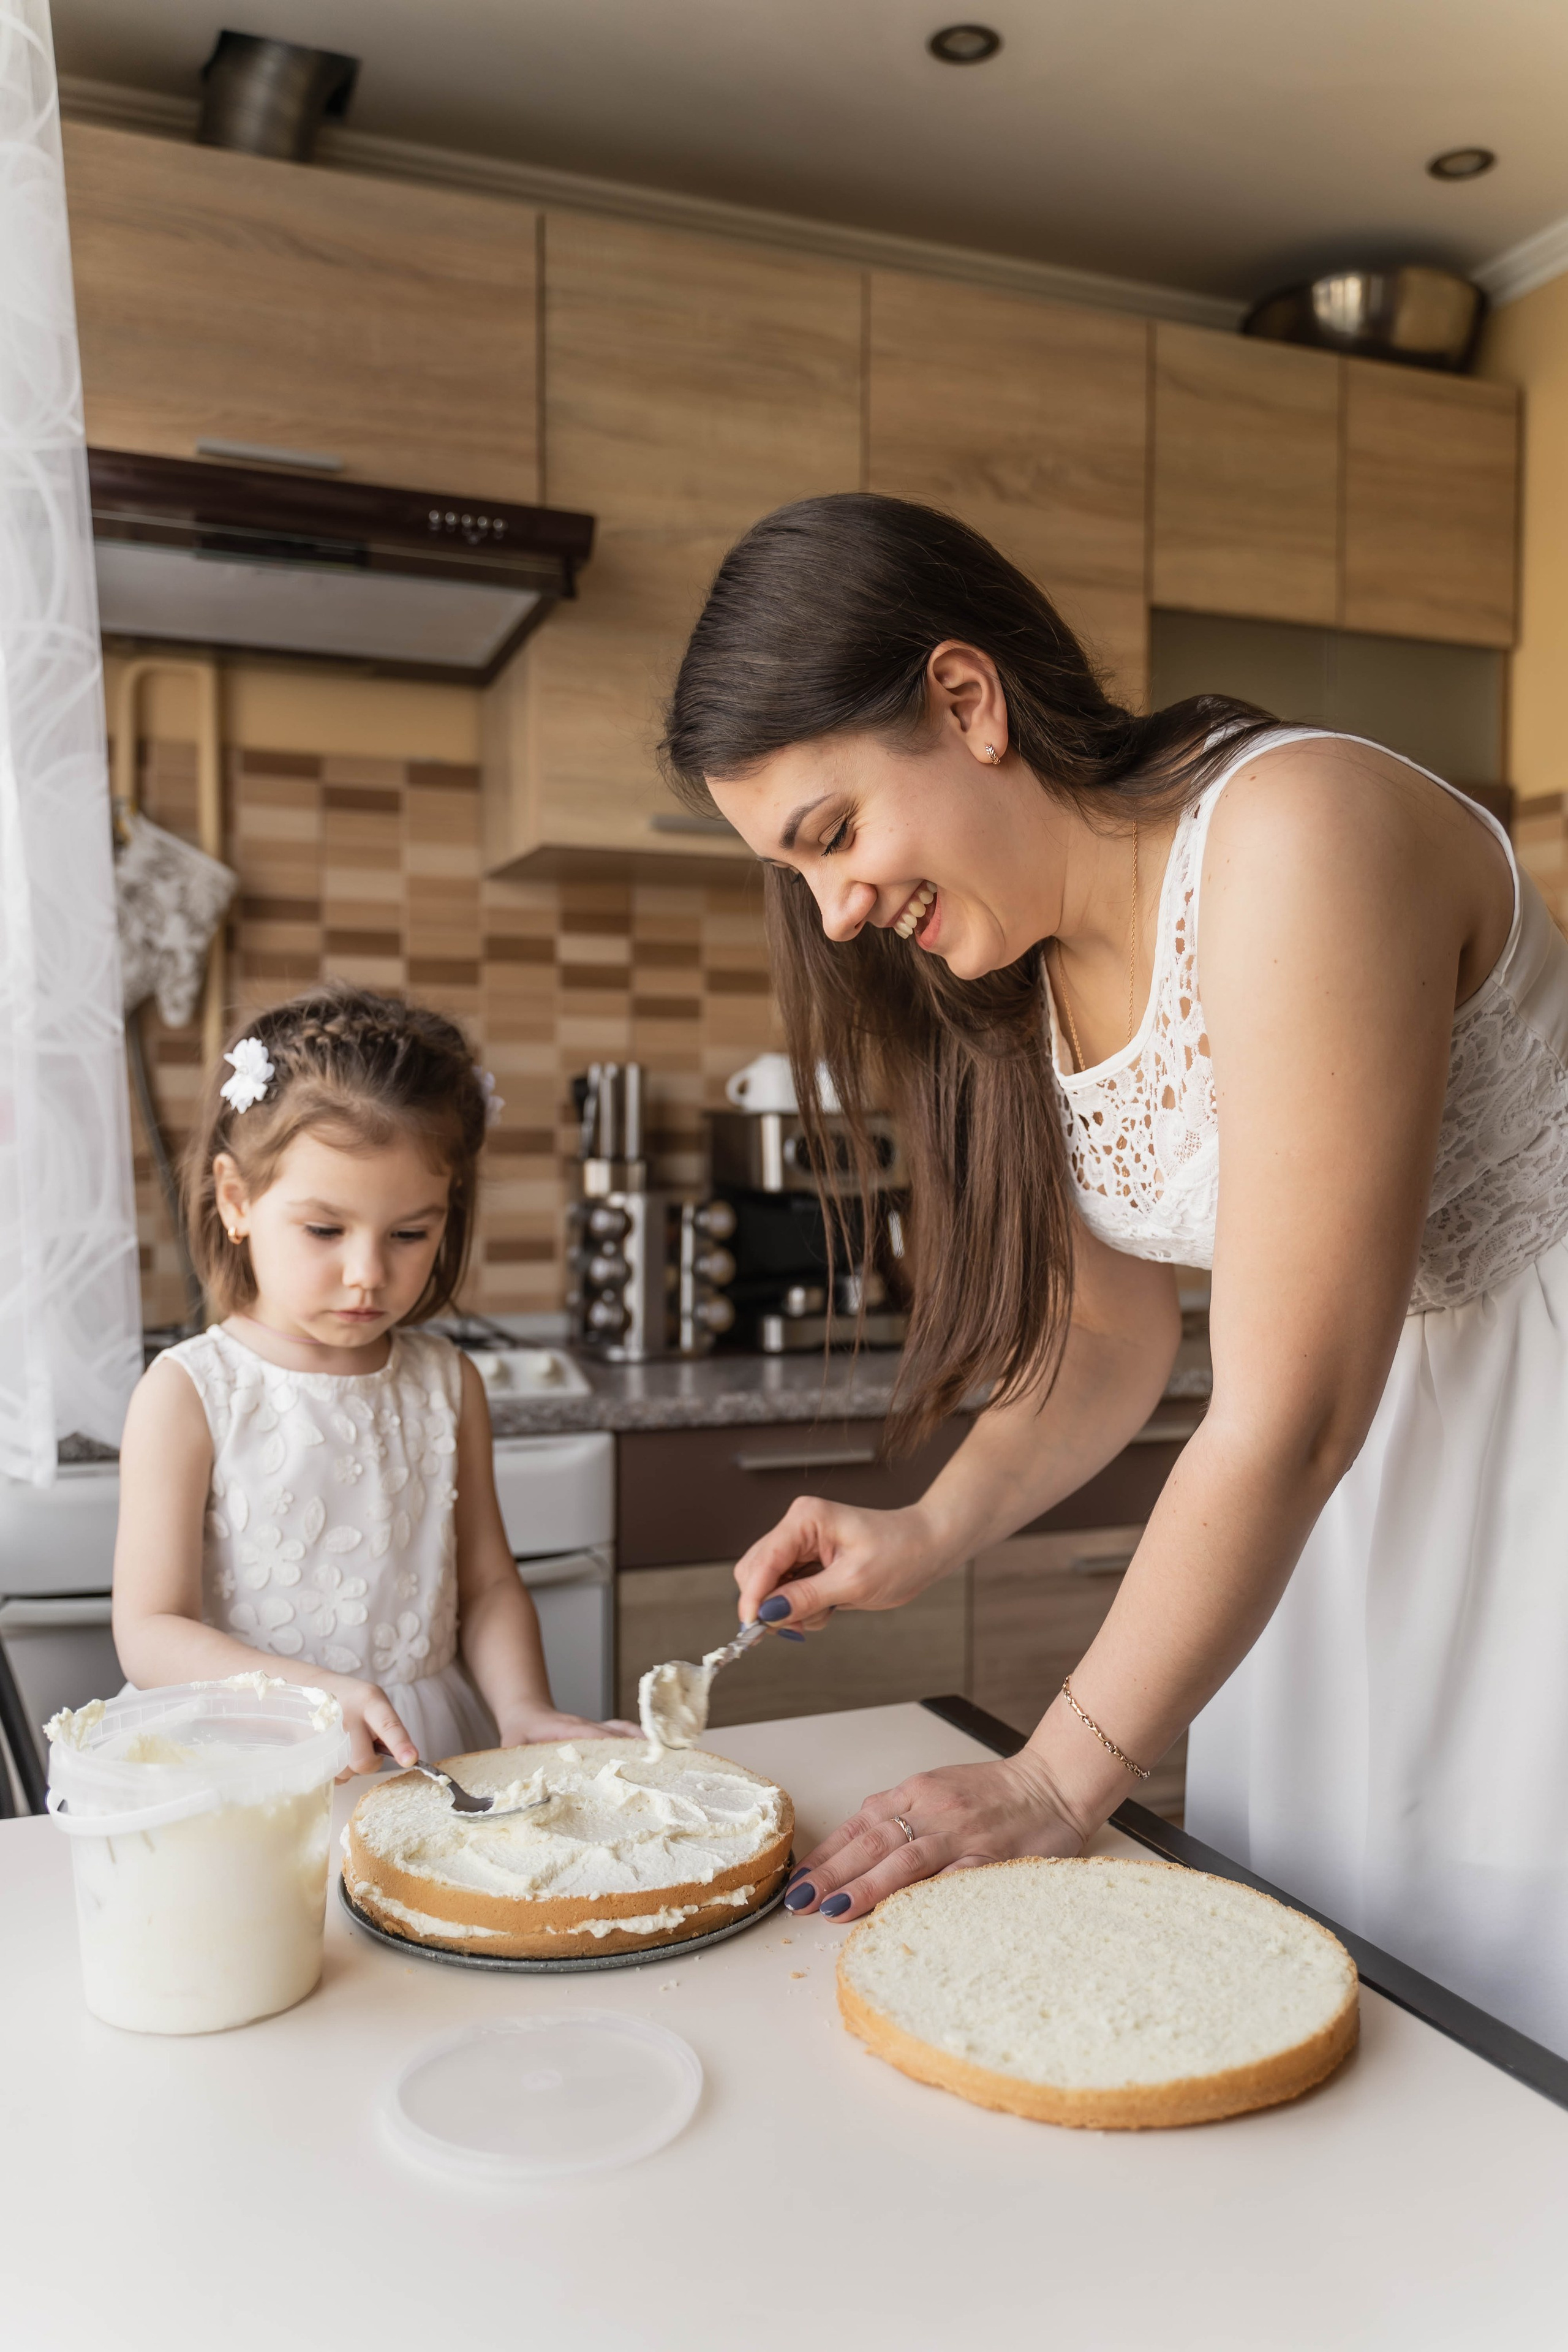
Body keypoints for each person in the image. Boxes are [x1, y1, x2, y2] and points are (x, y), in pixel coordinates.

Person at [662, 490, 1568, 2056]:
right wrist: (929, 1525)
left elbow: (1292, 1413)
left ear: (966, 700)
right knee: (1339, 2003)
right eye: (793, 872)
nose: (835, 914)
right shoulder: (1016, 977)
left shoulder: (1297, 834)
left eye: (833, 835)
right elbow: (1100, 1338)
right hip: (1328, 1515)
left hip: (1520, 1451)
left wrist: (1053, 1774)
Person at [113, 982, 633, 1772]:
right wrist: (317, 1695)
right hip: (251, 1749)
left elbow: (488, 1588)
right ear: (236, 1199)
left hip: (426, 1741)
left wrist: (523, 1706)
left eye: (409, 1233)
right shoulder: (189, 1392)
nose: (368, 1273)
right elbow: (150, 1631)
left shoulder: (448, 1384)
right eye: (325, 1229)